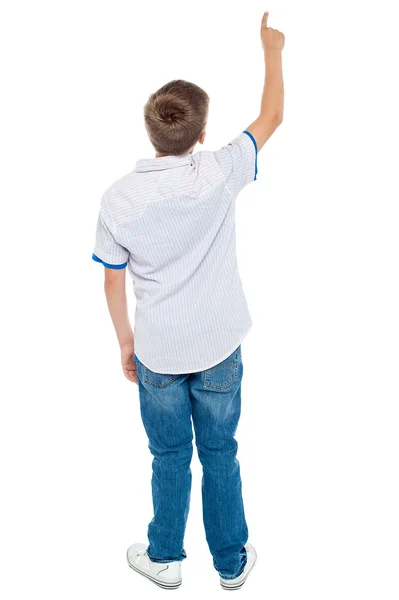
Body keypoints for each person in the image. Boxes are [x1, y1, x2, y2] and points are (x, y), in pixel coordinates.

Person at [91, 10, 284, 591]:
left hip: (158, 352)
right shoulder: (220, 170)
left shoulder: (118, 198)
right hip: (220, 343)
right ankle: (230, 565)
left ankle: (165, 558)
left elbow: (111, 280)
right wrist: (271, 49)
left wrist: (127, 343)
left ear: (151, 132)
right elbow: (272, 116)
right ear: (201, 134)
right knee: (221, 452)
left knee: (169, 455)